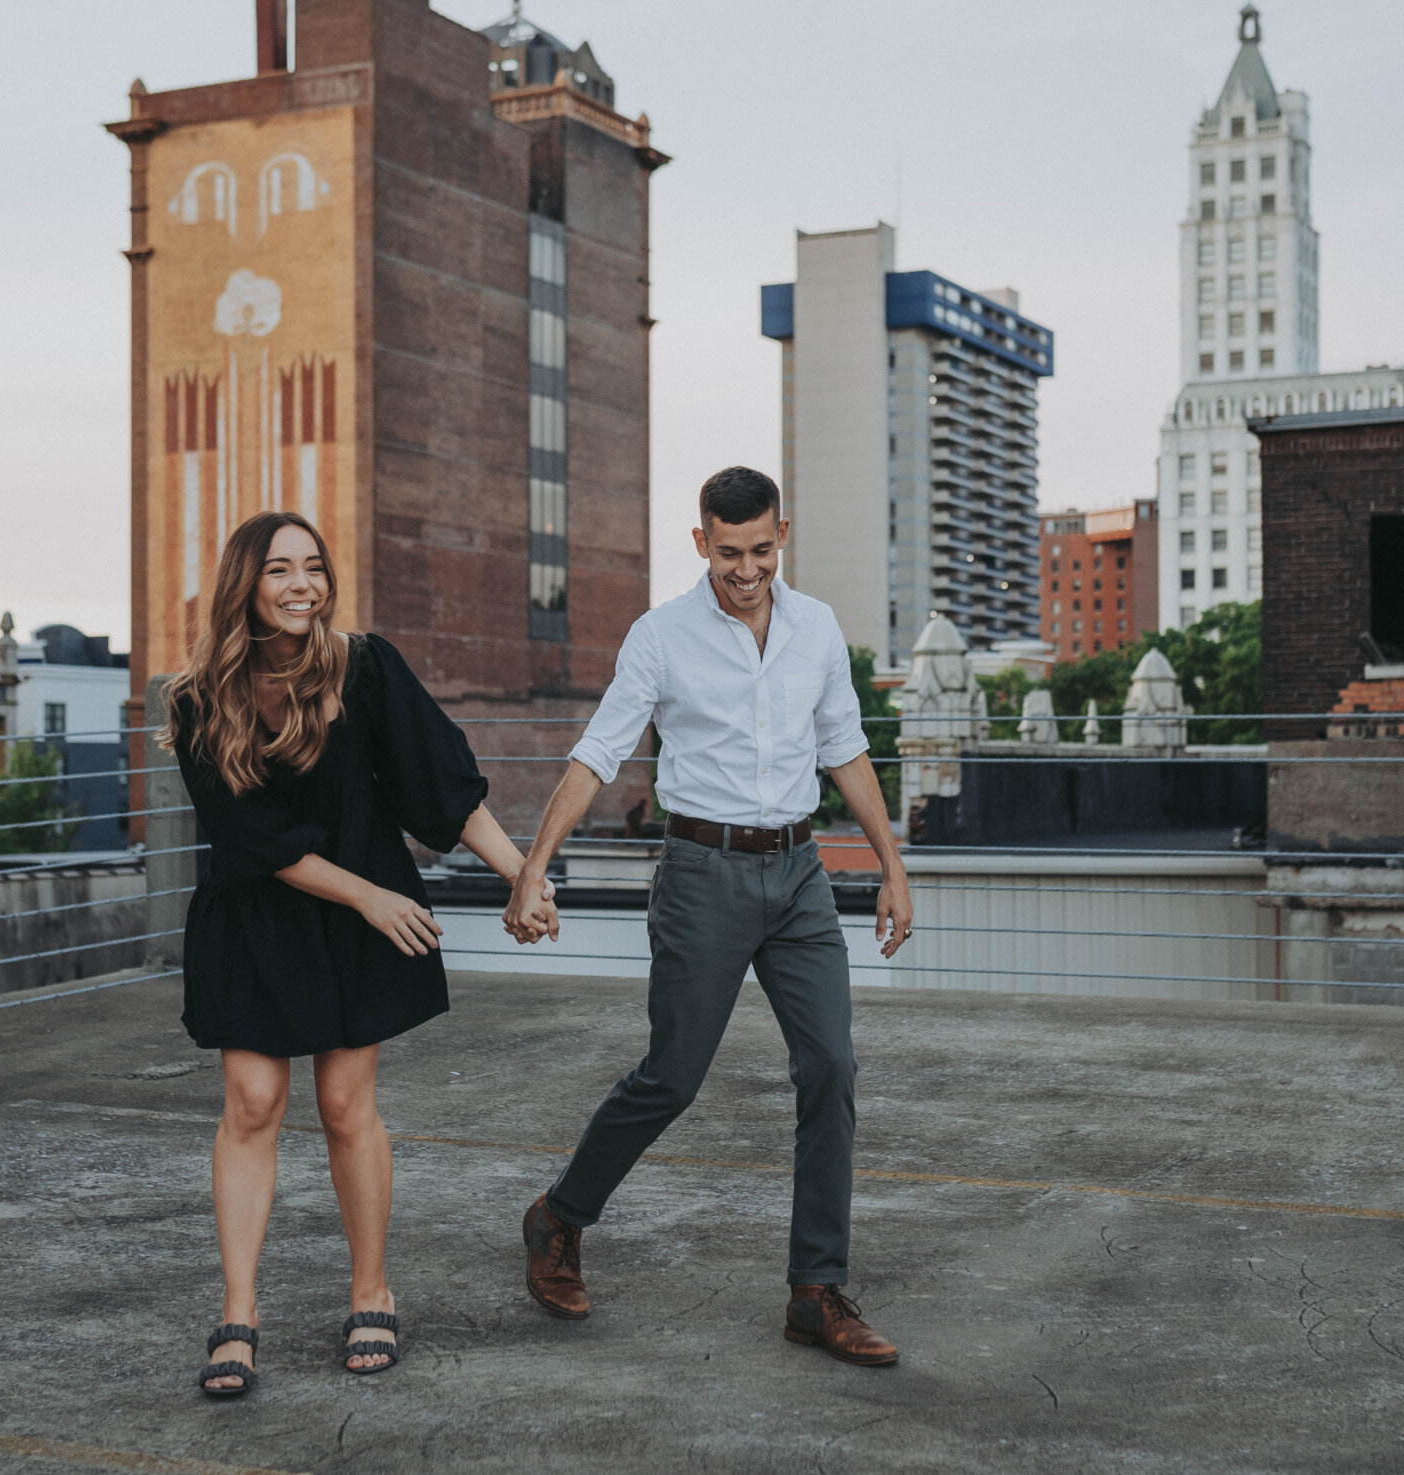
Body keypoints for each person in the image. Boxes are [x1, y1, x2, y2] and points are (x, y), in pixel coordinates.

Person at [504, 466, 914, 1366]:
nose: (746, 568)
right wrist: (533, 868)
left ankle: (816, 1290)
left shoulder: (816, 628)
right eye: (728, 552)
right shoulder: (661, 637)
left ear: (782, 536)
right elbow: (596, 755)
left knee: (832, 1066)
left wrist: (891, 866)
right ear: (701, 543)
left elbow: (845, 749)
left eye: (761, 549)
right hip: (702, 874)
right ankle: (560, 1216)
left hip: (800, 874)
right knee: (673, 1076)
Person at [168, 511, 549, 1397]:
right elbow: (255, 838)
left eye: (315, 567)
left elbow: (443, 783)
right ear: (245, 586)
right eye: (280, 571)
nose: (303, 585)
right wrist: (378, 896)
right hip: (263, 915)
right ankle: (238, 1311)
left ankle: (371, 1288)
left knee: (345, 1103)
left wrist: (523, 877)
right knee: (253, 1101)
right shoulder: (196, 698)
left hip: (352, 924)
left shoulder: (365, 665)